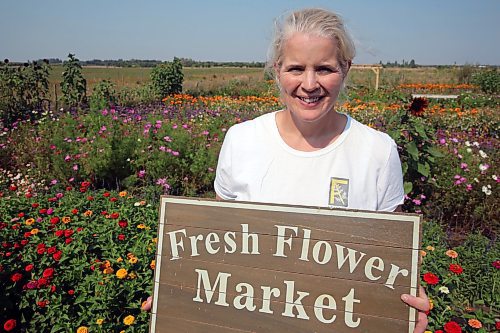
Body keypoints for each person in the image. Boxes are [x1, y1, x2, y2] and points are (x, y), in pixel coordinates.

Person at [213, 7, 430, 333]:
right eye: (296, 68)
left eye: (325, 68)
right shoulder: (241, 141)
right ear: (278, 70)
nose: (309, 84)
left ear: (346, 69)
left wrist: (407, 296)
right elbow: (214, 244)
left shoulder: (377, 151)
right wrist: (176, 292)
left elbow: (392, 255)